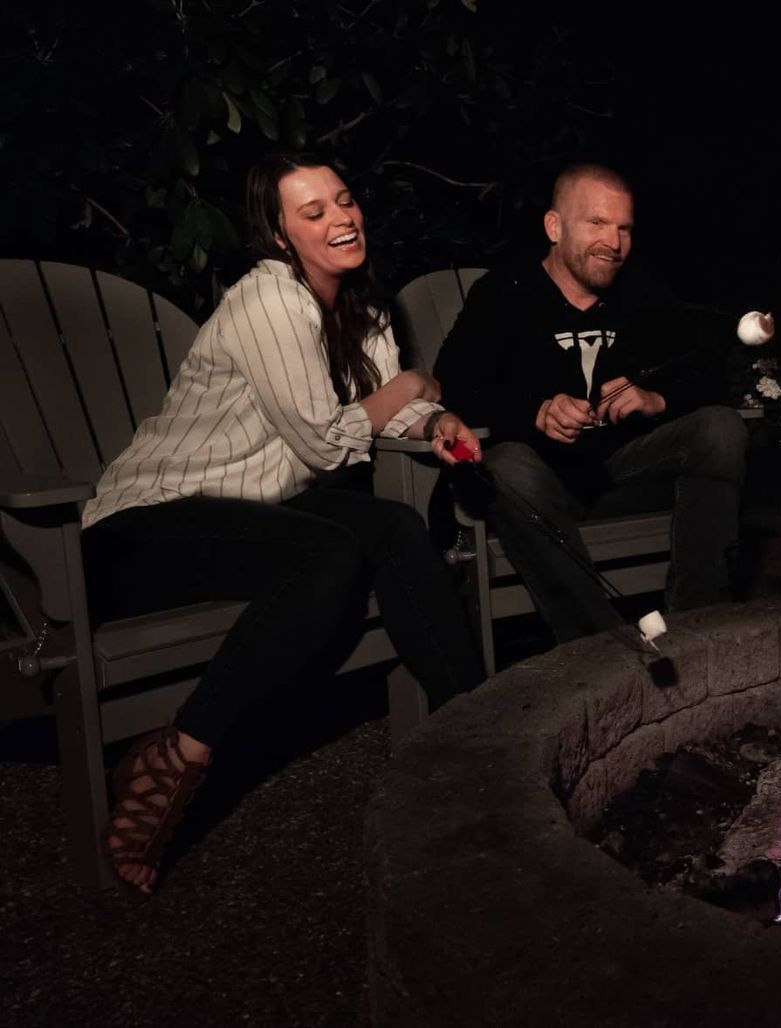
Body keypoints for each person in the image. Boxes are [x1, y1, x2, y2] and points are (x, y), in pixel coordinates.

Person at [82, 153, 487, 892]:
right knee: (330, 553)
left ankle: (483, 744)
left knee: (393, 525)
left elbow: (388, 402)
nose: (341, 219)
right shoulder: (268, 302)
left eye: (344, 199)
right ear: (278, 235)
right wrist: (413, 383)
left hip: (254, 509)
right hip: (144, 526)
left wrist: (437, 416)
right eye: (314, 213)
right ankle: (180, 756)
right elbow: (329, 439)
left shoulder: (360, 306)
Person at [434, 163, 749, 638]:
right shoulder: (504, 293)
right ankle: (602, 648)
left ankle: (696, 629)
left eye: (624, 228)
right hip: (538, 480)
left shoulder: (641, 294)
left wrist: (655, 398)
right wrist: (533, 410)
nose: (614, 242)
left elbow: (705, 366)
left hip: (620, 467)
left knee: (721, 429)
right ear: (554, 227)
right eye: (597, 224)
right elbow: (454, 384)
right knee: (506, 466)